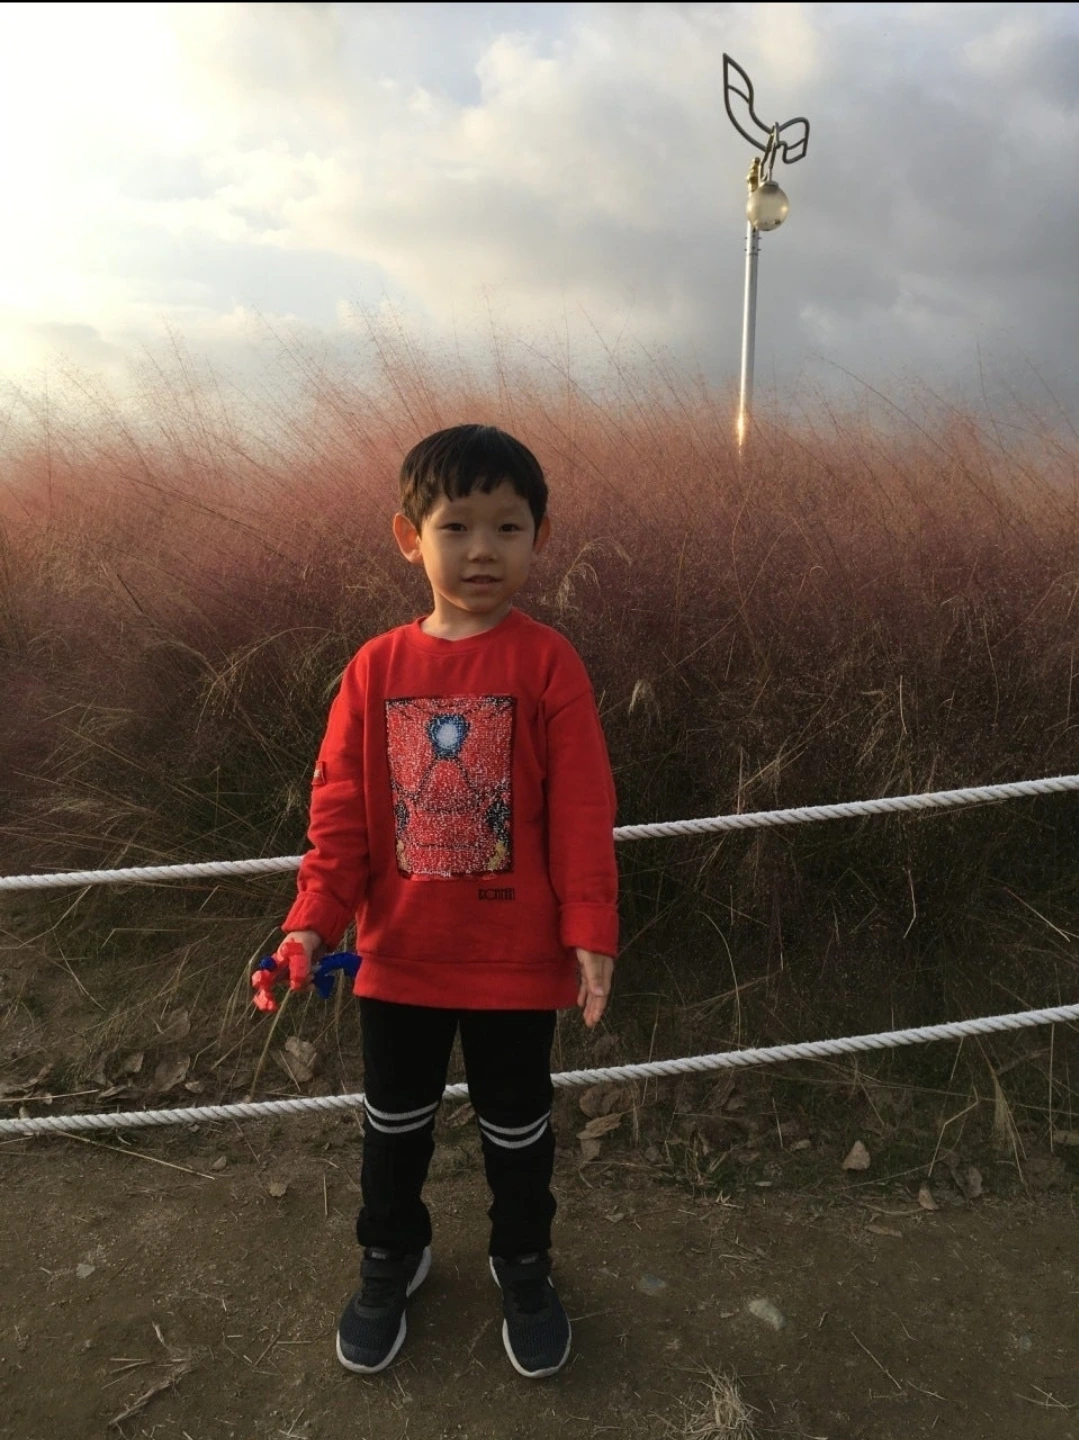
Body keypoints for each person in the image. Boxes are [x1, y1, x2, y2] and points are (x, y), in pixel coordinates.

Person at [273, 423, 619, 1380]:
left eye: (507, 527)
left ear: (538, 538)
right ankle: (391, 1256)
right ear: (408, 536)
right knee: (393, 1126)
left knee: (519, 1130)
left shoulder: (548, 663)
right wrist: (312, 921)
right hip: (399, 959)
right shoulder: (374, 669)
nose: (481, 550)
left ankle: (524, 1265)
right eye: (456, 526)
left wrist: (590, 927)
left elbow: (583, 809)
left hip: (516, 962)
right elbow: (339, 817)